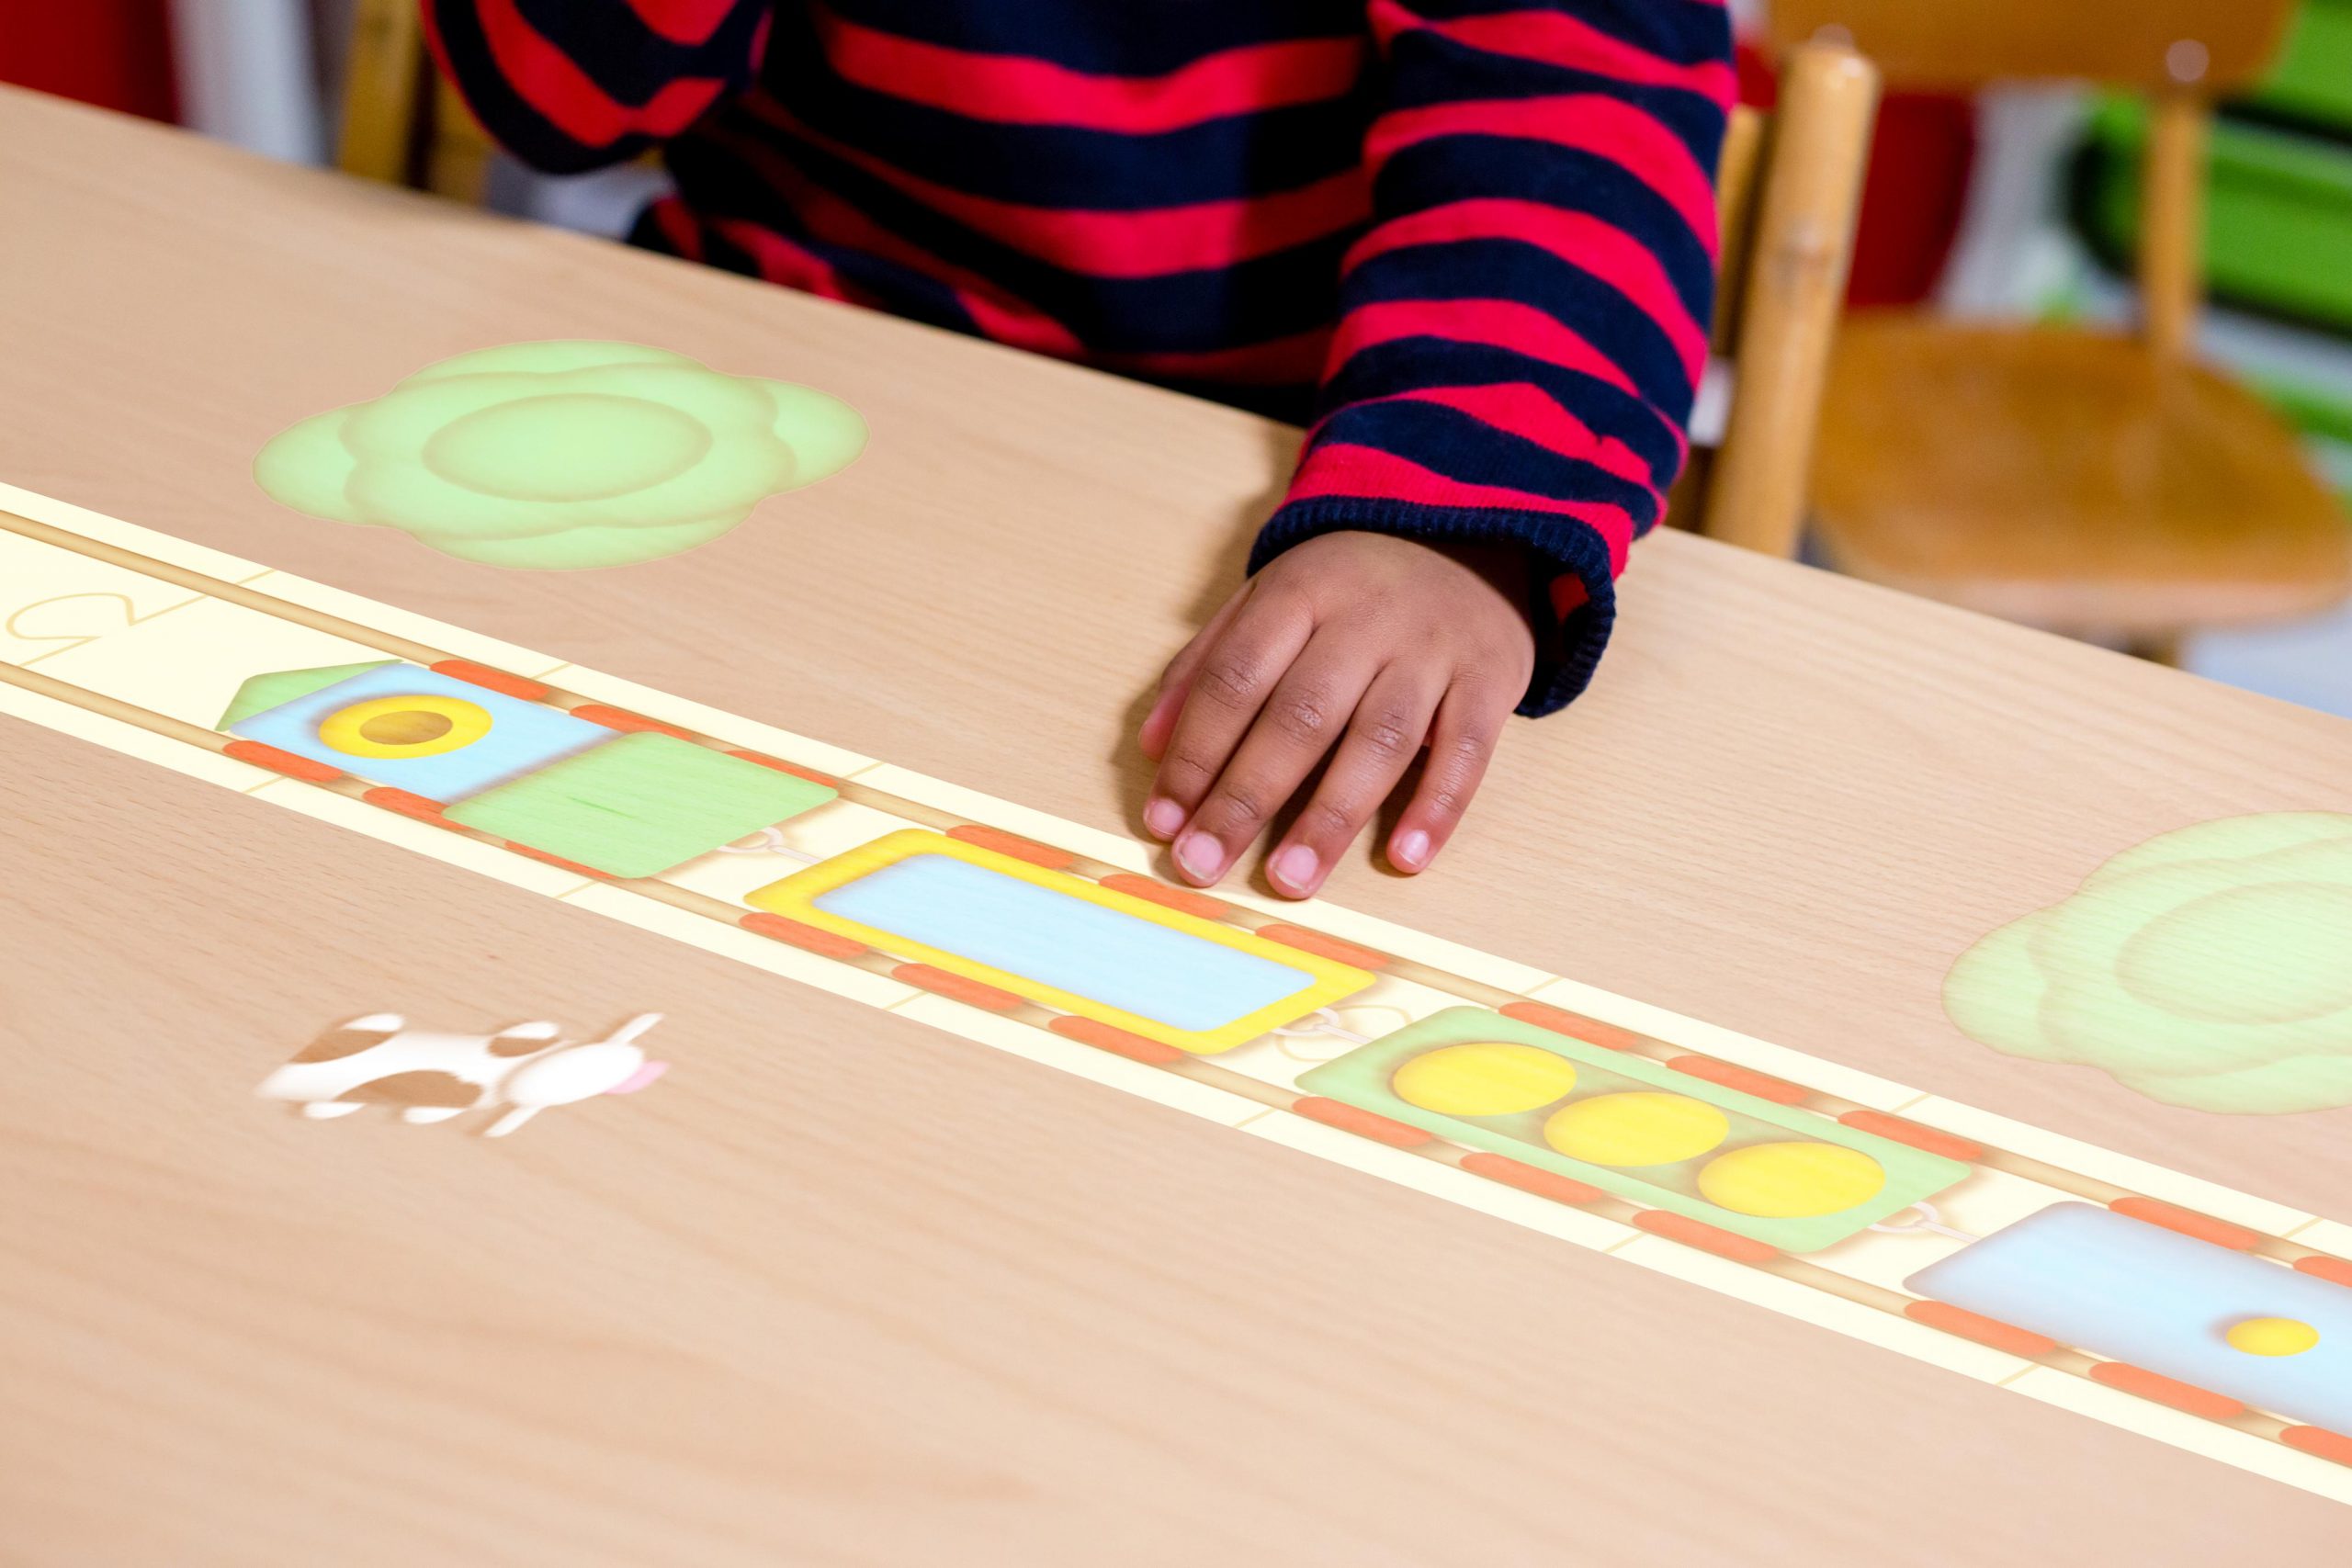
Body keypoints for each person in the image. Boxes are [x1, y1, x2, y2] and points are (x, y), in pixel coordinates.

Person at [424, 0, 1734, 897]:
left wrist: (1451, 520)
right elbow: (563, 98)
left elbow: (1582, 116)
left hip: (1286, 484)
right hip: (768, 395)